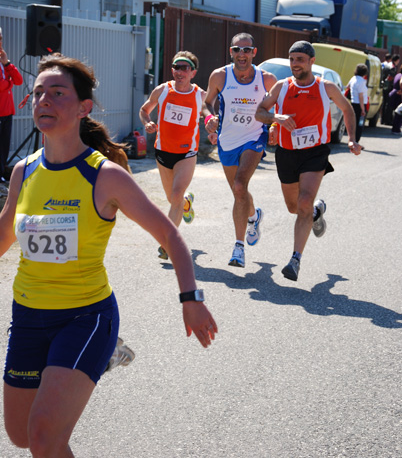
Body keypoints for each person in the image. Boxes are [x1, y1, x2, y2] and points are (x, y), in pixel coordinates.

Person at [1, 54, 217, 457]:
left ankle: (98, 348)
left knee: (45, 437)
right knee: (21, 435)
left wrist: (191, 299)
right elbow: (1, 238)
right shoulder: (24, 172)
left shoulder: (105, 176)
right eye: (38, 94)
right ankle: (103, 358)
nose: (44, 100)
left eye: (58, 93)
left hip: (84, 316)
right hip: (28, 316)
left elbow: (170, 235)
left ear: (84, 108)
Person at [255, 40, 361, 282]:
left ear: (312, 61)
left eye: (300, 60)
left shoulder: (326, 87)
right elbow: (259, 112)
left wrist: (352, 139)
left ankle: (295, 260)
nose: (295, 64)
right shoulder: (281, 87)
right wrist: (276, 118)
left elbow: (348, 110)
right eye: (292, 60)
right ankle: (316, 212)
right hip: (287, 153)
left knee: (303, 202)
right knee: (295, 207)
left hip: (315, 153)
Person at [204, 33, 276, 268]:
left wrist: (274, 125)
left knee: (239, 185)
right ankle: (254, 217)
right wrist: (210, 117)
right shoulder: (220, 76)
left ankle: (238, 247)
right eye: (237, 50)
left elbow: (278, 106)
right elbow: (207, 103)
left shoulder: (266, 79)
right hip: (228, 140)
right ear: (231, 52)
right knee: (239, 192)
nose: (242, 54)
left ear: (254, 53)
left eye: (247, 50)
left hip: (254, 137)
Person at [139, 51, 207, 260]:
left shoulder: (199, 94)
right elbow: (144, 109)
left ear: (193, 72)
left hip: (187, 153)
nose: (179, 72)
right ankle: (186, 204)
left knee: (175, 196)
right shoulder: (162, 90)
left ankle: (167, 243)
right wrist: (147, 122)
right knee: (173, 199)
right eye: (176, 67)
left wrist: (211, 121)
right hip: (163, 151)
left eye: (184, 68)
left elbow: (207, 111)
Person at [0, 27, 23, 182]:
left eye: (1, 38)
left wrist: (7, 63)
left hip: (7, 111)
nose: (0, 42)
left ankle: (1, 174)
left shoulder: (2, 60)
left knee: (4, 146)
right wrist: (9, 83)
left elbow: (19, 80)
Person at [347, 63, 369, 143]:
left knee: (353, 123)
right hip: (360, 105)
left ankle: (351, 139)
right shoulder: (362, 82)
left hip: (353, 103)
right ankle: (356, 141)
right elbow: (361, 96)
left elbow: (347, 87)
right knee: (360, 124)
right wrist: (363, 109)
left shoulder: (353, 78)